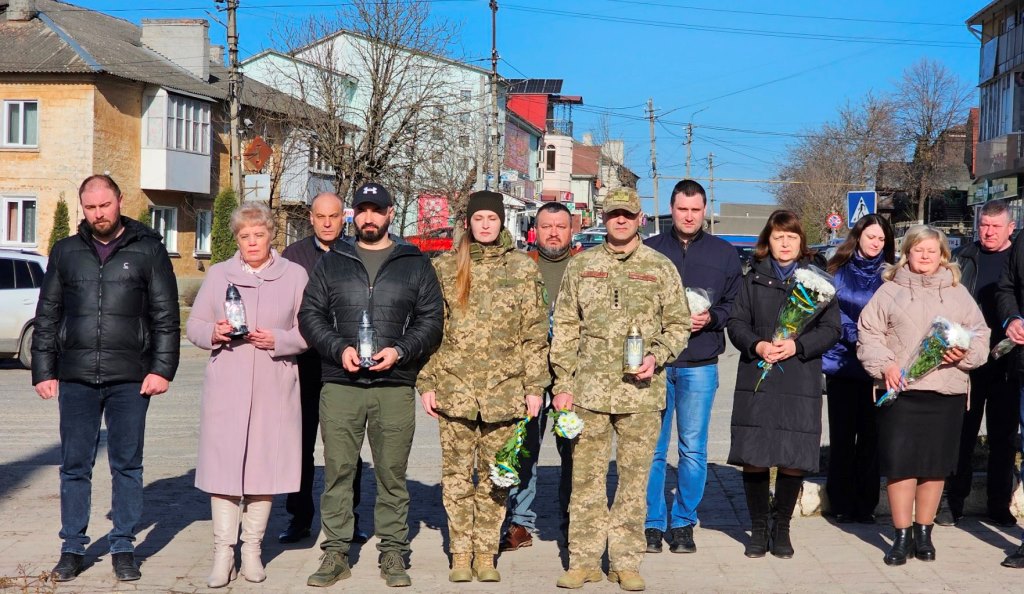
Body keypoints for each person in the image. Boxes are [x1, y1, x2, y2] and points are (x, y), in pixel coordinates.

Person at [32, 174, 180, 582]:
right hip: (76, 377)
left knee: (127, 465)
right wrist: (43, 370)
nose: (98, 214)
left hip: (131, 378)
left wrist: (162, 369)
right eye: (91, 207)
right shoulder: (65, 252)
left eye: (105, 205)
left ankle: (123, 546)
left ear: (119, 201)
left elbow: (166, 315)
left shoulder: (149, 250)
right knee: (74, 466)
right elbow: (48, 315)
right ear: (83, 207)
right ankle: (72, 548)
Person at [300, 182, 444, 588]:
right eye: (362, 210)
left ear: (390, 213)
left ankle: (393, 552)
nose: (369, 217)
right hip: (341, 384)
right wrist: (338, 348)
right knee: (338, 472)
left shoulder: (414, 262)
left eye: (376, 210)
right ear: (353, 214)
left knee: (392, 475)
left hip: (393, 385)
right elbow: (310, 315)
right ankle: (335, 553)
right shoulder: (333, 261)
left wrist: (400, 350)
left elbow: (431, 321)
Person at [550, 187, 690, 591]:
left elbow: (679, 324)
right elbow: (566, 327)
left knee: (634, 482)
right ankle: (583, 561)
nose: (621, 221)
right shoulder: (582, 266)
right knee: (586, 480)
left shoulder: (660, 267)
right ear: (604, 217)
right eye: (614, 214)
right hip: (588, 393)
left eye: (628, 214)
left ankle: (626, 562)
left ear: (640, 218)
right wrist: (563, 383)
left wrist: (657, 355)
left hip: (640, 393)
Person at [417, 190, 548, 584]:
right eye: (479, 219)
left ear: (501, 221)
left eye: (492, 218)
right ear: (468, 223)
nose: (486, 225)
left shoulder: (522, 268)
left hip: (505, 393)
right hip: (455, 390)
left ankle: (486, 553)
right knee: (457, 478)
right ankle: (460, 553)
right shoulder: (445, 267)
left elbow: (534, 332)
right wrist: (427, 381)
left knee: (496, 477)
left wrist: (534, 387)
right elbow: (430, 329)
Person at [186, 202, 309, 587]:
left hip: (275, 385)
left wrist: (280, 339)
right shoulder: (219, 274)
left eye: (259, 234)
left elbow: (309, 330)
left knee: (262, 470)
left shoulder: (295, 275)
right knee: (223, 471)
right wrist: (214, 332)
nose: (252, 242)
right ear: (236, 239)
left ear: (271, 235)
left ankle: (252, 550)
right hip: (228, 386)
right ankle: (223, 554)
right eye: (244, 236)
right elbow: (194, 326)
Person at [858, 225, 989, 566]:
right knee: (900, 466)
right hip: (901, 393)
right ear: (907, 253)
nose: (926, 256)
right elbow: (868, 333)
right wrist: (885, 365)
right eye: (919, 249)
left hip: (946, 394)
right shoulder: (889, 291)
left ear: (943, 255)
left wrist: (965, 355)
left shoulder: (959, 293)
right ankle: (901, 537)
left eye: (933, 250)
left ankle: (924, 534)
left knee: (934, 467)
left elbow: (980, 335)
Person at [726, 209, 841, 560]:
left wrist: (798, 346)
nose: (785, 243)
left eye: (792, 237)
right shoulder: (752, 280)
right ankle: (759, 528)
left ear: (801, 242)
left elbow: (831, 329)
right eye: (779, 237)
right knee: (755, 455)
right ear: (768, 241)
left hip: (799, 375)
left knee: (793, 455)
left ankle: (783, 528)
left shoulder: (817, 283)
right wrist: (757, 345)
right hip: (758, 374)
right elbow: (736, 323)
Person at [642, 179, 742, 555]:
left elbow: (735, 303)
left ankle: (683, 522)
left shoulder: (724, 253)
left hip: (700, 362)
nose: (688, 216)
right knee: (652, 449)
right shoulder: (650, 250)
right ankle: (652, 522)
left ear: (705, 211)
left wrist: (712, 318)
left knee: (693, 449)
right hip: (654, 364)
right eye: (682, 209)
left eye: (695, 210)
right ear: (671, 209)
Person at [278, 192, 368, 545]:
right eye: (320, 216)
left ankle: (348, 518)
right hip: (304, 363)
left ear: (344, 217)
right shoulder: (294, 256)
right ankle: (299, 518)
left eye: (334, 216)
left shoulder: (356, 251)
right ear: (311, 218)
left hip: (345, 363)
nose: (327, 223)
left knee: (345, 446)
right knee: (299, 444)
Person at [501, 202, 580, 552]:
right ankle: (520, 522)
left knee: (574, 450)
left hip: (571, 373)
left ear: (571, 230)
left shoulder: (584, 267)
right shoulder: (521, 266)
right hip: (528, 373)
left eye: (560, 226)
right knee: (524, 449)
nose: (553, 233)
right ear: (536, 229)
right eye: (547, 226)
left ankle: (571, 520)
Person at [938, 200, 1018, 528]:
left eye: (996, 226)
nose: (988, 232)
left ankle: (998, 504)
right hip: (968, 360)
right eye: (984, 225)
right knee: (962, 434)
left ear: (1011, 228)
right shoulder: (964, 258)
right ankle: (952, 501)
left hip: (1007, 361)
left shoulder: (1017, 260)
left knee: (1003, 438)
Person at [821, 214, 896, 525]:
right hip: (842, 362)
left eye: (881, 239)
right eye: (871, 237)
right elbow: (832, 312)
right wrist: (860, 338)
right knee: (842, 437)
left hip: (877, 369)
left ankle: (866, 505)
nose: (875, 243)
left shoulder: (892, 274)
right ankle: (839, 502)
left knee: (871, 438)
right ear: (858, 237)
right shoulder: (837, 270)